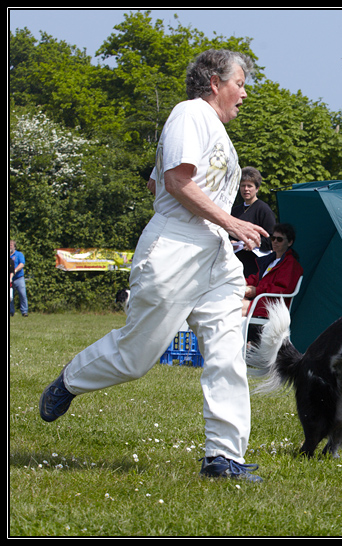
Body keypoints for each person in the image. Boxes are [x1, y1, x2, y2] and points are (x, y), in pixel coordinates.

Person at [39, 50, 267, 483]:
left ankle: (223, 459)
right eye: (240, 82)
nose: (244, 92)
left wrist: (220, 226)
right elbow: (177, 182)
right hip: (177, 247)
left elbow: (160, 180)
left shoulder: (214, 129)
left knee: (226, 353)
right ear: (215, 83)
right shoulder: (189, 113)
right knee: (136, 356)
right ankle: (69, 381)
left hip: (215, 254)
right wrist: (231, 220)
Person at [242, 223, 303, 319]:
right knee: (229, 298)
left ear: (290, 242)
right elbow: (257, 279)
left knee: (230, 307)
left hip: (273, 306)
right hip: (260, 301)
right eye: (273, 238)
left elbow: (283, 289)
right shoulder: (270, 261)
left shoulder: (291, 264)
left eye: (279, 239)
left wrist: (256, 291)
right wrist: (242, 282)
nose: (275, 242)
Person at [231, 167, 277, 277]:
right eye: (243, 186)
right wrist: (231, 242)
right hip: (235, 264)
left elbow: (273, 239)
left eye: (250, 186)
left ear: (257, 188)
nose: (246, 189)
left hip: (255, 266)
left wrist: (257, 242)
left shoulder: (263, 209)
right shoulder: (235, 210)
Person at [9, 240, 28, 317]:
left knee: (22, 294)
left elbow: (22, 264)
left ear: (14, 246)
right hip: (10, 279)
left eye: (10, 245)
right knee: (10, 297)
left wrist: (15, 270)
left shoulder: (19, 254)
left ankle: (24, 311)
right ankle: (11, 311)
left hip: (19, 278)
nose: (9, 246)